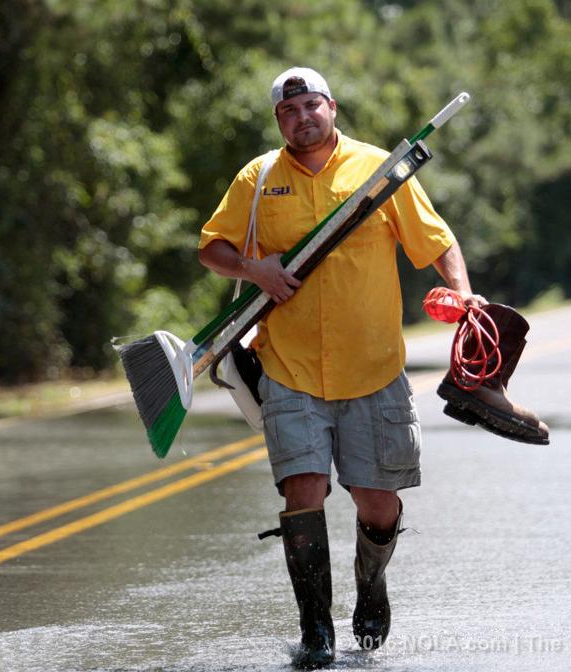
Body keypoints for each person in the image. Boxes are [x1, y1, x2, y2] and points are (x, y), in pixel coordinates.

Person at [198, 66, 485, 669]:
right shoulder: (258, 178)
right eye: (288, 110)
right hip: (290, 367)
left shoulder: (379, 170)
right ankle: (316, 630)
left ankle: (371, 582)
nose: (302, 116)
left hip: (373, 367)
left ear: (332, 107)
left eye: (311, 105)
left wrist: (461, 293)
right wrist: (258, 269)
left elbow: (436, 242)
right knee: (303, 488)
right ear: (279, 121)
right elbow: (214, 247)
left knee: (377, 503)